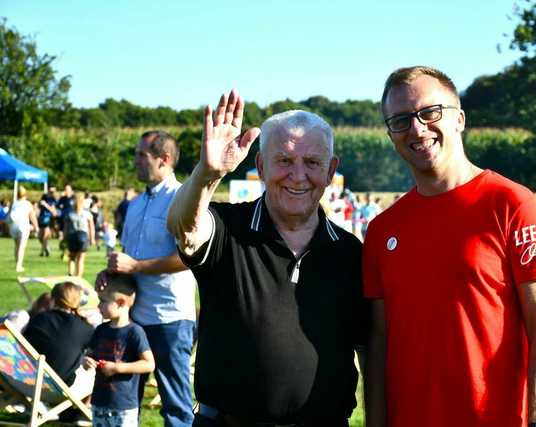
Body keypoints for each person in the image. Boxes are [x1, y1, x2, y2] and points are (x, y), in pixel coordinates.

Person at [364, 66, 536, 427]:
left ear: (459, 119)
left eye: (429, 113)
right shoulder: (381, 230)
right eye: (401, 120)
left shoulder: (512, 204)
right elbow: (378, 348)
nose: (417, 128)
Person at [166, 91, 369, 427]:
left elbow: (367, 349)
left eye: (313, 162)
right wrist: (207, 173)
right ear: (260, 166)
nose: (298, 175)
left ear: (331, 170)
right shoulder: (227, 228)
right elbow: (183, 226)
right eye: (285, 161)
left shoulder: (348, 251)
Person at [102, 130, 197, 427]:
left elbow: (187, 258)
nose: (135, 161)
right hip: (134, 316)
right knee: (126, 400)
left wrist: (137, 267)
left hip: (170, 317)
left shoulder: (183, 200)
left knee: (176, 405)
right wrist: (111, 273)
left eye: (141, 155)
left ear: (164, 160)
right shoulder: (135, 204)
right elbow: (130, 256)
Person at [84, 271, 155, 427]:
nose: (98, 305)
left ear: (121, 302)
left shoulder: (134, 332)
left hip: (124, 405)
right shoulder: (101, 330)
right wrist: (87, 361)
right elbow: (89, 355)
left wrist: (117, 368)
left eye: (103, 301)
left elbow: (149, 364)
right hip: (99, 401)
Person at [23, 282, 95, 398]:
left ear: (52, 299)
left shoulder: (40, 318)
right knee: (93, 369)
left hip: (27, 381)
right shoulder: (84, 327)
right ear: (78, 302)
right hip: (59, 389)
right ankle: (80, 412)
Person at [8, 186, 39, 272]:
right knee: (21, 247)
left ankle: (17, 264)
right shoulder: (27, 204)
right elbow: (32, 217)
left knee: (16, 246)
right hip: (23, 226)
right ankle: (19, 265)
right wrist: (36, 227)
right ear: (25, 194)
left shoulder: (14, 203)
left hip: (14, 226)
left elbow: (8, 215)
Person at [65, 192, 95, 277]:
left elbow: (66, 228)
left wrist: (64, 237)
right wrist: (92, 238)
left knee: (72, 258)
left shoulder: (69, 214)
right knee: (81, 259)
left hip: (72, 236)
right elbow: (91, 227)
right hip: (83, 236)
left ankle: (70, 273)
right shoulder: (87, 214)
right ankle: (78, 277)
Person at [38, 186, 58, 257]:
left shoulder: (54, 200)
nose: (51, 193)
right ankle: (47, 248)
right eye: (50, 191)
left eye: (53, 191)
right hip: (41, 217)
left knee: (45, 237)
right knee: (40, 237)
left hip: (49, 218)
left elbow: (53, 211)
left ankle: (42, 252)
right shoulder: (44, 196)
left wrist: (46, 205)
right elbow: (39, 206)